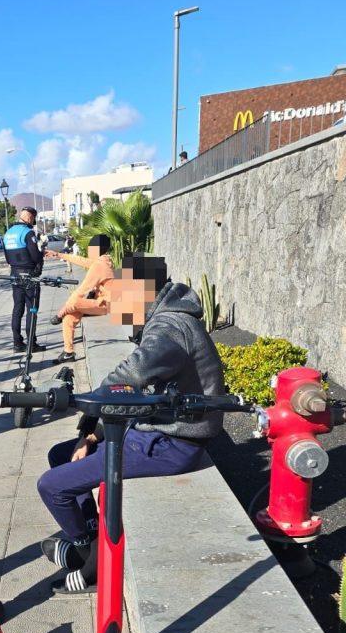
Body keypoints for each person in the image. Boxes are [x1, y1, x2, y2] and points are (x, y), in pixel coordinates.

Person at [37, 254, 225, 594]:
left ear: (141, 292)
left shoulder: (171, 326)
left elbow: (130, 376)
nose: (114, 304)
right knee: (60, 455)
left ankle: (89, 555)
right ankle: (92, 537)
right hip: (154, 431)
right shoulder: (165, 320)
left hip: (172, 443)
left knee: (52, 486)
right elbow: (136, 390)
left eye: (120, 295)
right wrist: (91, 434)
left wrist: (88, 407)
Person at [46, 234, 115, 364]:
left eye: (91, 248)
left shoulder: (100, 265)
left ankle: (59, 315)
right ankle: (68, 353)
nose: (88, 251)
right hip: (99, 302)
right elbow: (81, 260)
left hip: (106, 305)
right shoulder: (102, 261)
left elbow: (82, 290)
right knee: (69, 318)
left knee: (74, 301)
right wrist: (59, 255)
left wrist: (63, 310)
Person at [3, 207, 46, 353]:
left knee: (17, 309)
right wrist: (41, 254)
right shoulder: (27, 233)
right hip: (29, 276)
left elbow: (8, 258)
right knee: (31, 309)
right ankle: (31, 344)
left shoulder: (8, 233)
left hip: (15, 275)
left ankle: (17, 343)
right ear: (29, 218)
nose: (33, 222)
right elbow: (35, 256)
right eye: (33, 219)